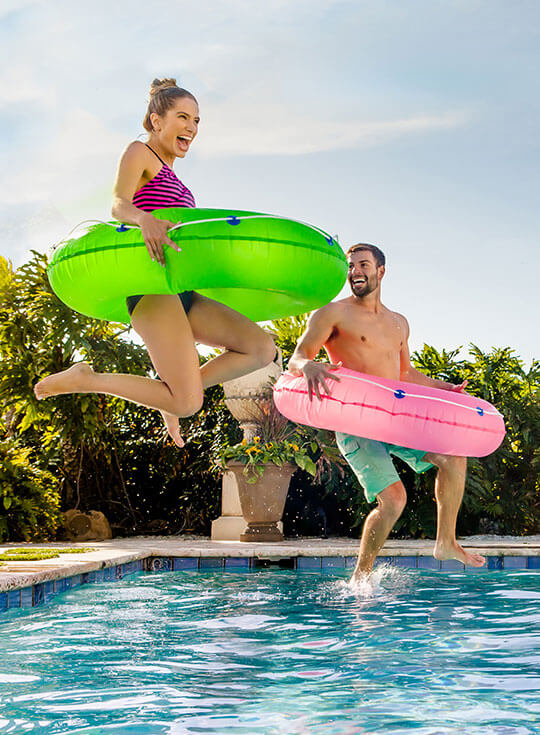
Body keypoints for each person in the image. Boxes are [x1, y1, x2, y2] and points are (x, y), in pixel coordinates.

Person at [35, 78, 276, 446]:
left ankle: (169, 390)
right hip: (151, 288)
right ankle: (88, 379)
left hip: (181, 290)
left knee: (261, 349)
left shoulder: (179, 181)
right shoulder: (139, 152)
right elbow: (117, 203)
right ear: (156, 120)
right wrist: (143, 218)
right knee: (188, 403)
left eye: (196, 121)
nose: (192, 128)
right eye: (183, 117)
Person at [288, 243, 485, 581]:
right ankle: (361, 579)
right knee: (393, 500)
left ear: (381, 271)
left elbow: (405, 374)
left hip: (395, 416)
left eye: (363, 265)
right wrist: (306, 366)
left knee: (453, 456)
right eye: (350, 266)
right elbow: (297, 358)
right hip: (356, 419)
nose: (355, 272)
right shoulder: (331, 314)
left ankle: (446, 542)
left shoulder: (398, 323)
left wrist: (445, 388)